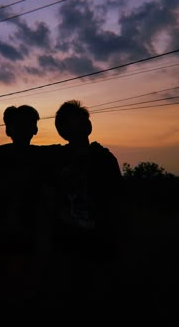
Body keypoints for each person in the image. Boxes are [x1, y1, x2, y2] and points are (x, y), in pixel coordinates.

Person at [41, 99, 122, 308]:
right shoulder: (57, 157)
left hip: (99, 246)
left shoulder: (104, 158)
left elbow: (118, 203)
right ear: (64, 129)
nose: (85, 123)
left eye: (85, 118)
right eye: (77, 119)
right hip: (66, 246)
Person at [0, 104, 50, 309]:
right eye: (17, 124)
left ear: (35, 129)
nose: (22, 129)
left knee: (17, 295)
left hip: (23, 237)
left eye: (28, 124)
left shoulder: (41, 157)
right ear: (8, 129)